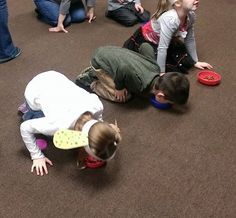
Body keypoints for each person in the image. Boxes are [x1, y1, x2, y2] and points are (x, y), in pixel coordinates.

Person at [19, 71, 121, 176]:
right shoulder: (58, 125)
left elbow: (98, 121)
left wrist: (102, 131)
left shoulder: (96, 105)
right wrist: (37, 156)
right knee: (51, 137)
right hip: (34, 90)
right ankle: (28, 110)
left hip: (55, 77)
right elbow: (25, 128)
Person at [76, 46, 189, 105]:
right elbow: (123, 69)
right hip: (99, 61)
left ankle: (96, 73)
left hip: (111, 51)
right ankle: (90, 80)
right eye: (169, 102)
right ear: (160, 96)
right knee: (123, 97)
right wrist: (119, 88)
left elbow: (145, 46)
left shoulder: (156, 68)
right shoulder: (140, 86)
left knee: (124, 75)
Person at [123, 0, 213, 73]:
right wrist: (161, 72)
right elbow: (162, 48)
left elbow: (189, 39)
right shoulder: (170, 19)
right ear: (177, 3)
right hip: (147, 41)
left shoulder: (191, 16)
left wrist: (195, 61)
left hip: (165, 40)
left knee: (180, 54)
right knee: (151, 66)